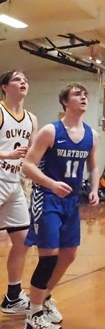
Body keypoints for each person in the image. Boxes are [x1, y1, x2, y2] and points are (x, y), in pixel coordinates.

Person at [22, 83, 99, 329]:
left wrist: (94, 189)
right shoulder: (50, 131)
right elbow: (28, 165)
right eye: (77, 94)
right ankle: (33, 317)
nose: (83, 97)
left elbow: (93, 166)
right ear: (65, 102)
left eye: (85, 94)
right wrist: (51, 184)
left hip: (71, 201)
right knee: (49, 256)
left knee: (68, 254)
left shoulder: (92, 135)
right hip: (47, 197)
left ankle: (43, 298)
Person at [0, 70, 38, 316]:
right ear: (4, 87)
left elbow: (32, 156)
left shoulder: (31, 119)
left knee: (23, 240)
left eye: (25, 79)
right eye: (17, 79)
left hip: (14, 184)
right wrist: (6, 154)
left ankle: (13, 296)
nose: (23, 82)